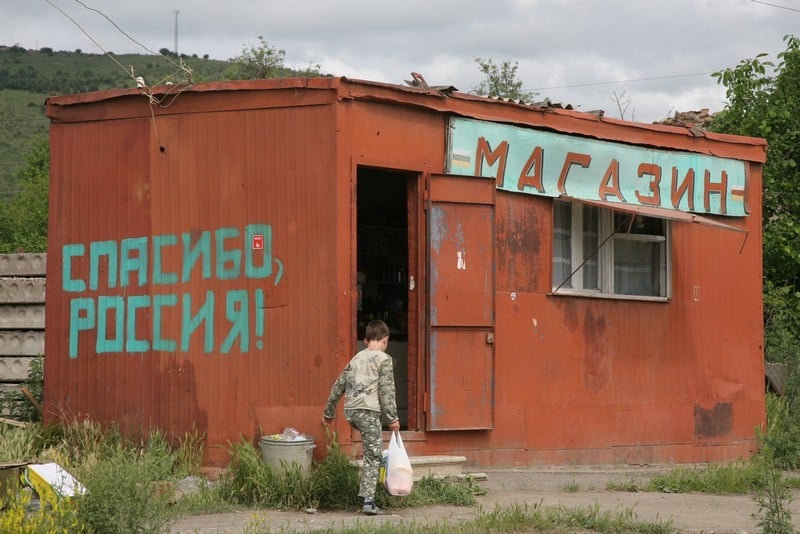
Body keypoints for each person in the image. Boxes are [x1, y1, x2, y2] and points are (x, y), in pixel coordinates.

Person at [322, 319, 400, 515]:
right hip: (368, 411)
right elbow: (386, 391)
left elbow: (339, 385)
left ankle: (368, 495)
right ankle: (368, 502)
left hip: (351, 411)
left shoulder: (355, 359)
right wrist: (392, 418)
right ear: (386, 340)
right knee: (373, 455)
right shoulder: (384, 360)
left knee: (370, 448)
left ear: (365, 341)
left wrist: (329, 412)